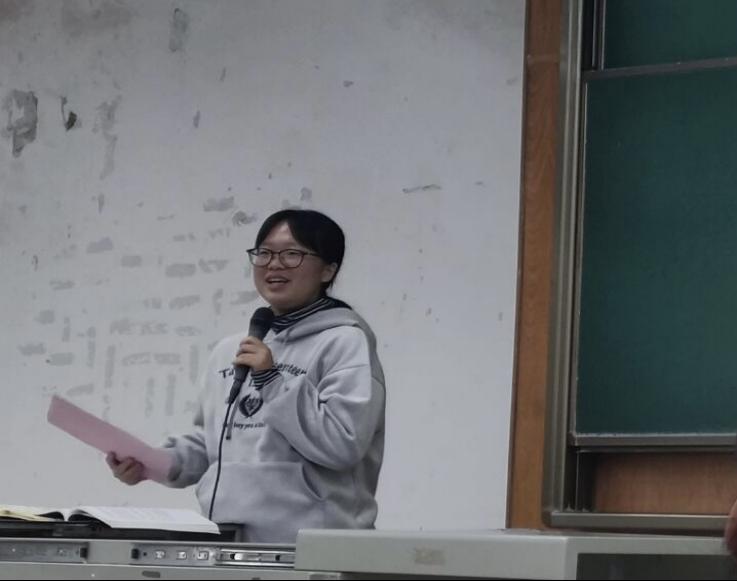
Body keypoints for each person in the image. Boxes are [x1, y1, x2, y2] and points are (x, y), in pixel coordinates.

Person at [107, 209, 386, 543]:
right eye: (264, 253)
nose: (274, 264)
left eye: (292, 254)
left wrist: (272, 380)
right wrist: (151, 463)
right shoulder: (232, 349)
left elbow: (343, 443)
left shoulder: (344, 341)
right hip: (227, 543)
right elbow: (212, 445)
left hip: (312, 545)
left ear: (328, 269)